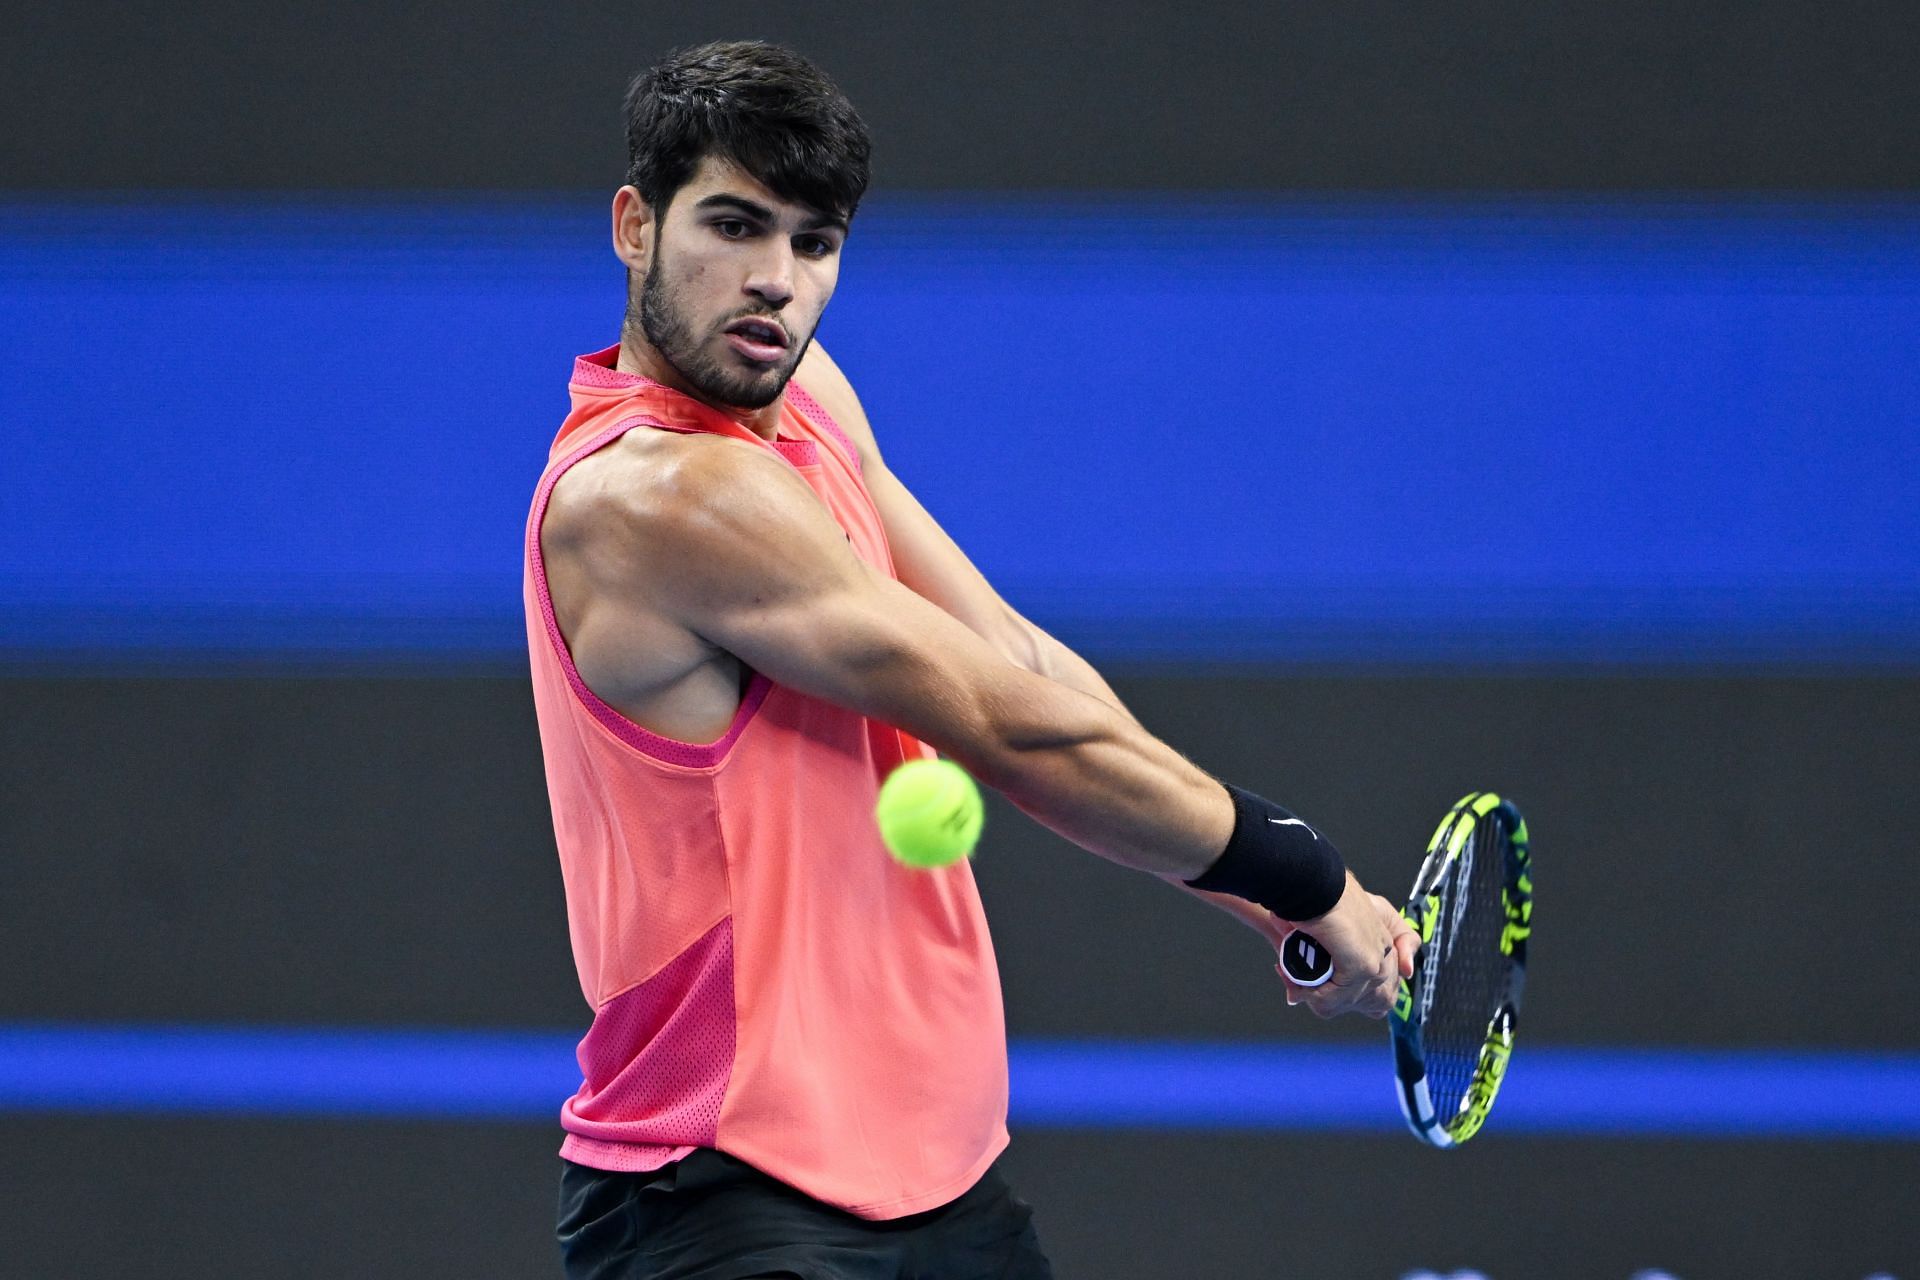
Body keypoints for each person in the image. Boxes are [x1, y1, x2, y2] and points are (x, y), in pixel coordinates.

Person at [524, 39, 1418, 1280]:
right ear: (635, 225)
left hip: (946, 1186)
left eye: (813, 241)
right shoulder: (653, 499)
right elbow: (1005, 725)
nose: (774, 282)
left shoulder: (812, 397)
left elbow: (1012, 653)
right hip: (725, 1198)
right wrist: (1301, 863)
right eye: (732, 226)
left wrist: (1262, 900)